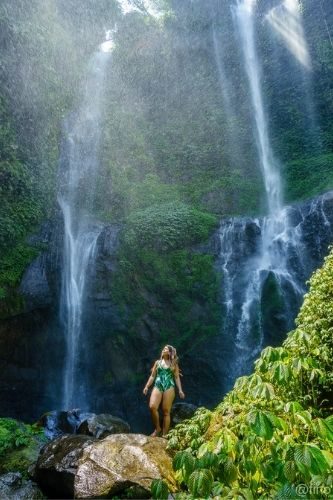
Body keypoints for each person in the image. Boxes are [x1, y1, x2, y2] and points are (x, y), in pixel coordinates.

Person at [143, 344, 185, 437]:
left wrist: (180, 390)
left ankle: (164, 435)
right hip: (158, 385)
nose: (163, 350)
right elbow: (152, 376)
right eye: (163, 348)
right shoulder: (157, 363)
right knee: (152, 407)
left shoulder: (174, 363)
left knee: (166, 411)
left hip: (169, 386)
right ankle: (157, 428)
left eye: (166, 349)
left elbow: (177, 377)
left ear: (169, 352)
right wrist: (146, 386)